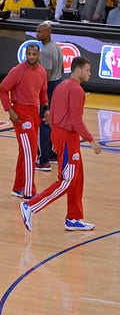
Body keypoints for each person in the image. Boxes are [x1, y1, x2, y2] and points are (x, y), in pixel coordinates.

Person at [20, 57, 102, 232]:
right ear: (78, 70)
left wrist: (57, 137)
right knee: (67, 180)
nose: (90, 73)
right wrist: (91, 140)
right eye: (87, 70)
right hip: (67, 137)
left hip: (60, 134)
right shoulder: (77, 90)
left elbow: (53, 115)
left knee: (77, 177)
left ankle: (74, 218)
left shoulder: (61, 86)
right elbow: (76, 121)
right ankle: (31, 206)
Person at [0, 43, 48, 199]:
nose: (31, 57)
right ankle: (29, 191)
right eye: (29, 54)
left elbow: (43, 93)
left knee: (25, 151)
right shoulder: (17, 71)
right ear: (25, 54)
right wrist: (10, 110)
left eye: (34, 54)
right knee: (31, 152)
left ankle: (18, 187)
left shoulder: (41, 72)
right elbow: (3, 89)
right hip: (21, 113)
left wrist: (46, 109)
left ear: (39, 54)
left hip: (34, 113)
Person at [36, 22, 63, 172]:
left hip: (49, 87)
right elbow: (63, 68)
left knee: (44, 122)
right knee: (51, 121)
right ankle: (52, 153)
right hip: (58, 83)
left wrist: (41, 93)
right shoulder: (56, 46)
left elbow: (45, 75)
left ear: (48, 33)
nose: (37, 35)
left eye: (40, 32)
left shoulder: (45, 51)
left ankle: (43, 159)